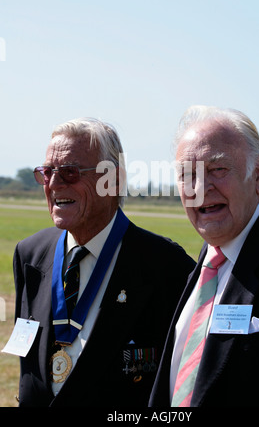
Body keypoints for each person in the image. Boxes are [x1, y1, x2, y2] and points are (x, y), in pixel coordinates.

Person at [13, 117, 196, 407]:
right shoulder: (30, 254)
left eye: (70, 172)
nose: (54, 183)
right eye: (47, 172)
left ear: (114, 180)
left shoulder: (167, 266)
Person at [149, 105, 259, 408]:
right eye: (187, 175)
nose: (200, 189)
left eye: (217, 169)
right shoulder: (215, 251)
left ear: (258, 174)